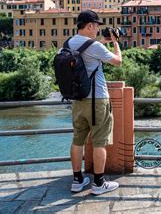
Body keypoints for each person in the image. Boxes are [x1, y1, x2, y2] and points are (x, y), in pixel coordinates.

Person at [67, 10, 122, 195]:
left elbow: (87, 53)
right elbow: (117, 61)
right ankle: (99, 184)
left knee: (77, 140)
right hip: (97, 100)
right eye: (96, 26)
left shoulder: (67, 44)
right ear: (90, 26)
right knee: (99, 142)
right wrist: (115, 42)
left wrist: (101, 44)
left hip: (77, 100)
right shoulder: (95, 46)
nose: (97, 29)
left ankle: (77, 180)